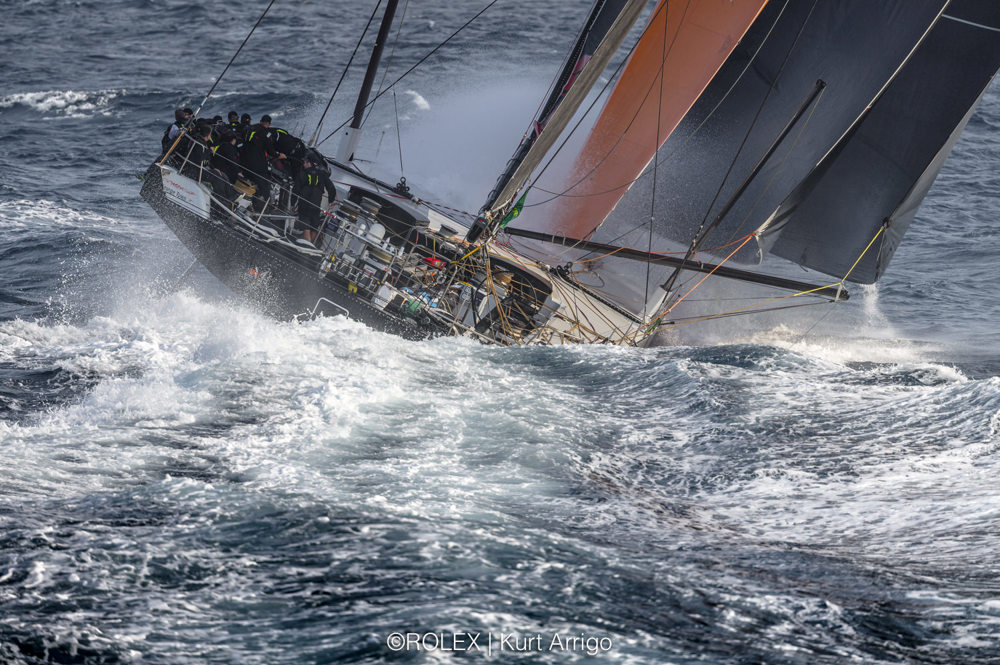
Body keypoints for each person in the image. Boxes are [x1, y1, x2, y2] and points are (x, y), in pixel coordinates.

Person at [294, 154, 336, 245]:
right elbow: (331, 188)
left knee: (306, 229)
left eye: (305, 162)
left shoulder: (302, 173)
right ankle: (310, 245)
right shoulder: (322, 175)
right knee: (313, 228)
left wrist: (292, 204)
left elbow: (295, 189)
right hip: (316, 207)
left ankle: (306, 246)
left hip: (304, 206)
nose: (304, 164)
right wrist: (331, 201)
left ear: (309, 163)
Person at [241, 115, 275, 212]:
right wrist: (278, 154)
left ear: (260, 121)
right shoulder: (266, 133)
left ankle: (252, 205)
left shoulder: (249, 129)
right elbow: (270, 150)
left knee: (252, 183)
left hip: (245, 162)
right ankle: (267, 208)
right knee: (264, 185)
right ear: (268, 124)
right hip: (258, 164)